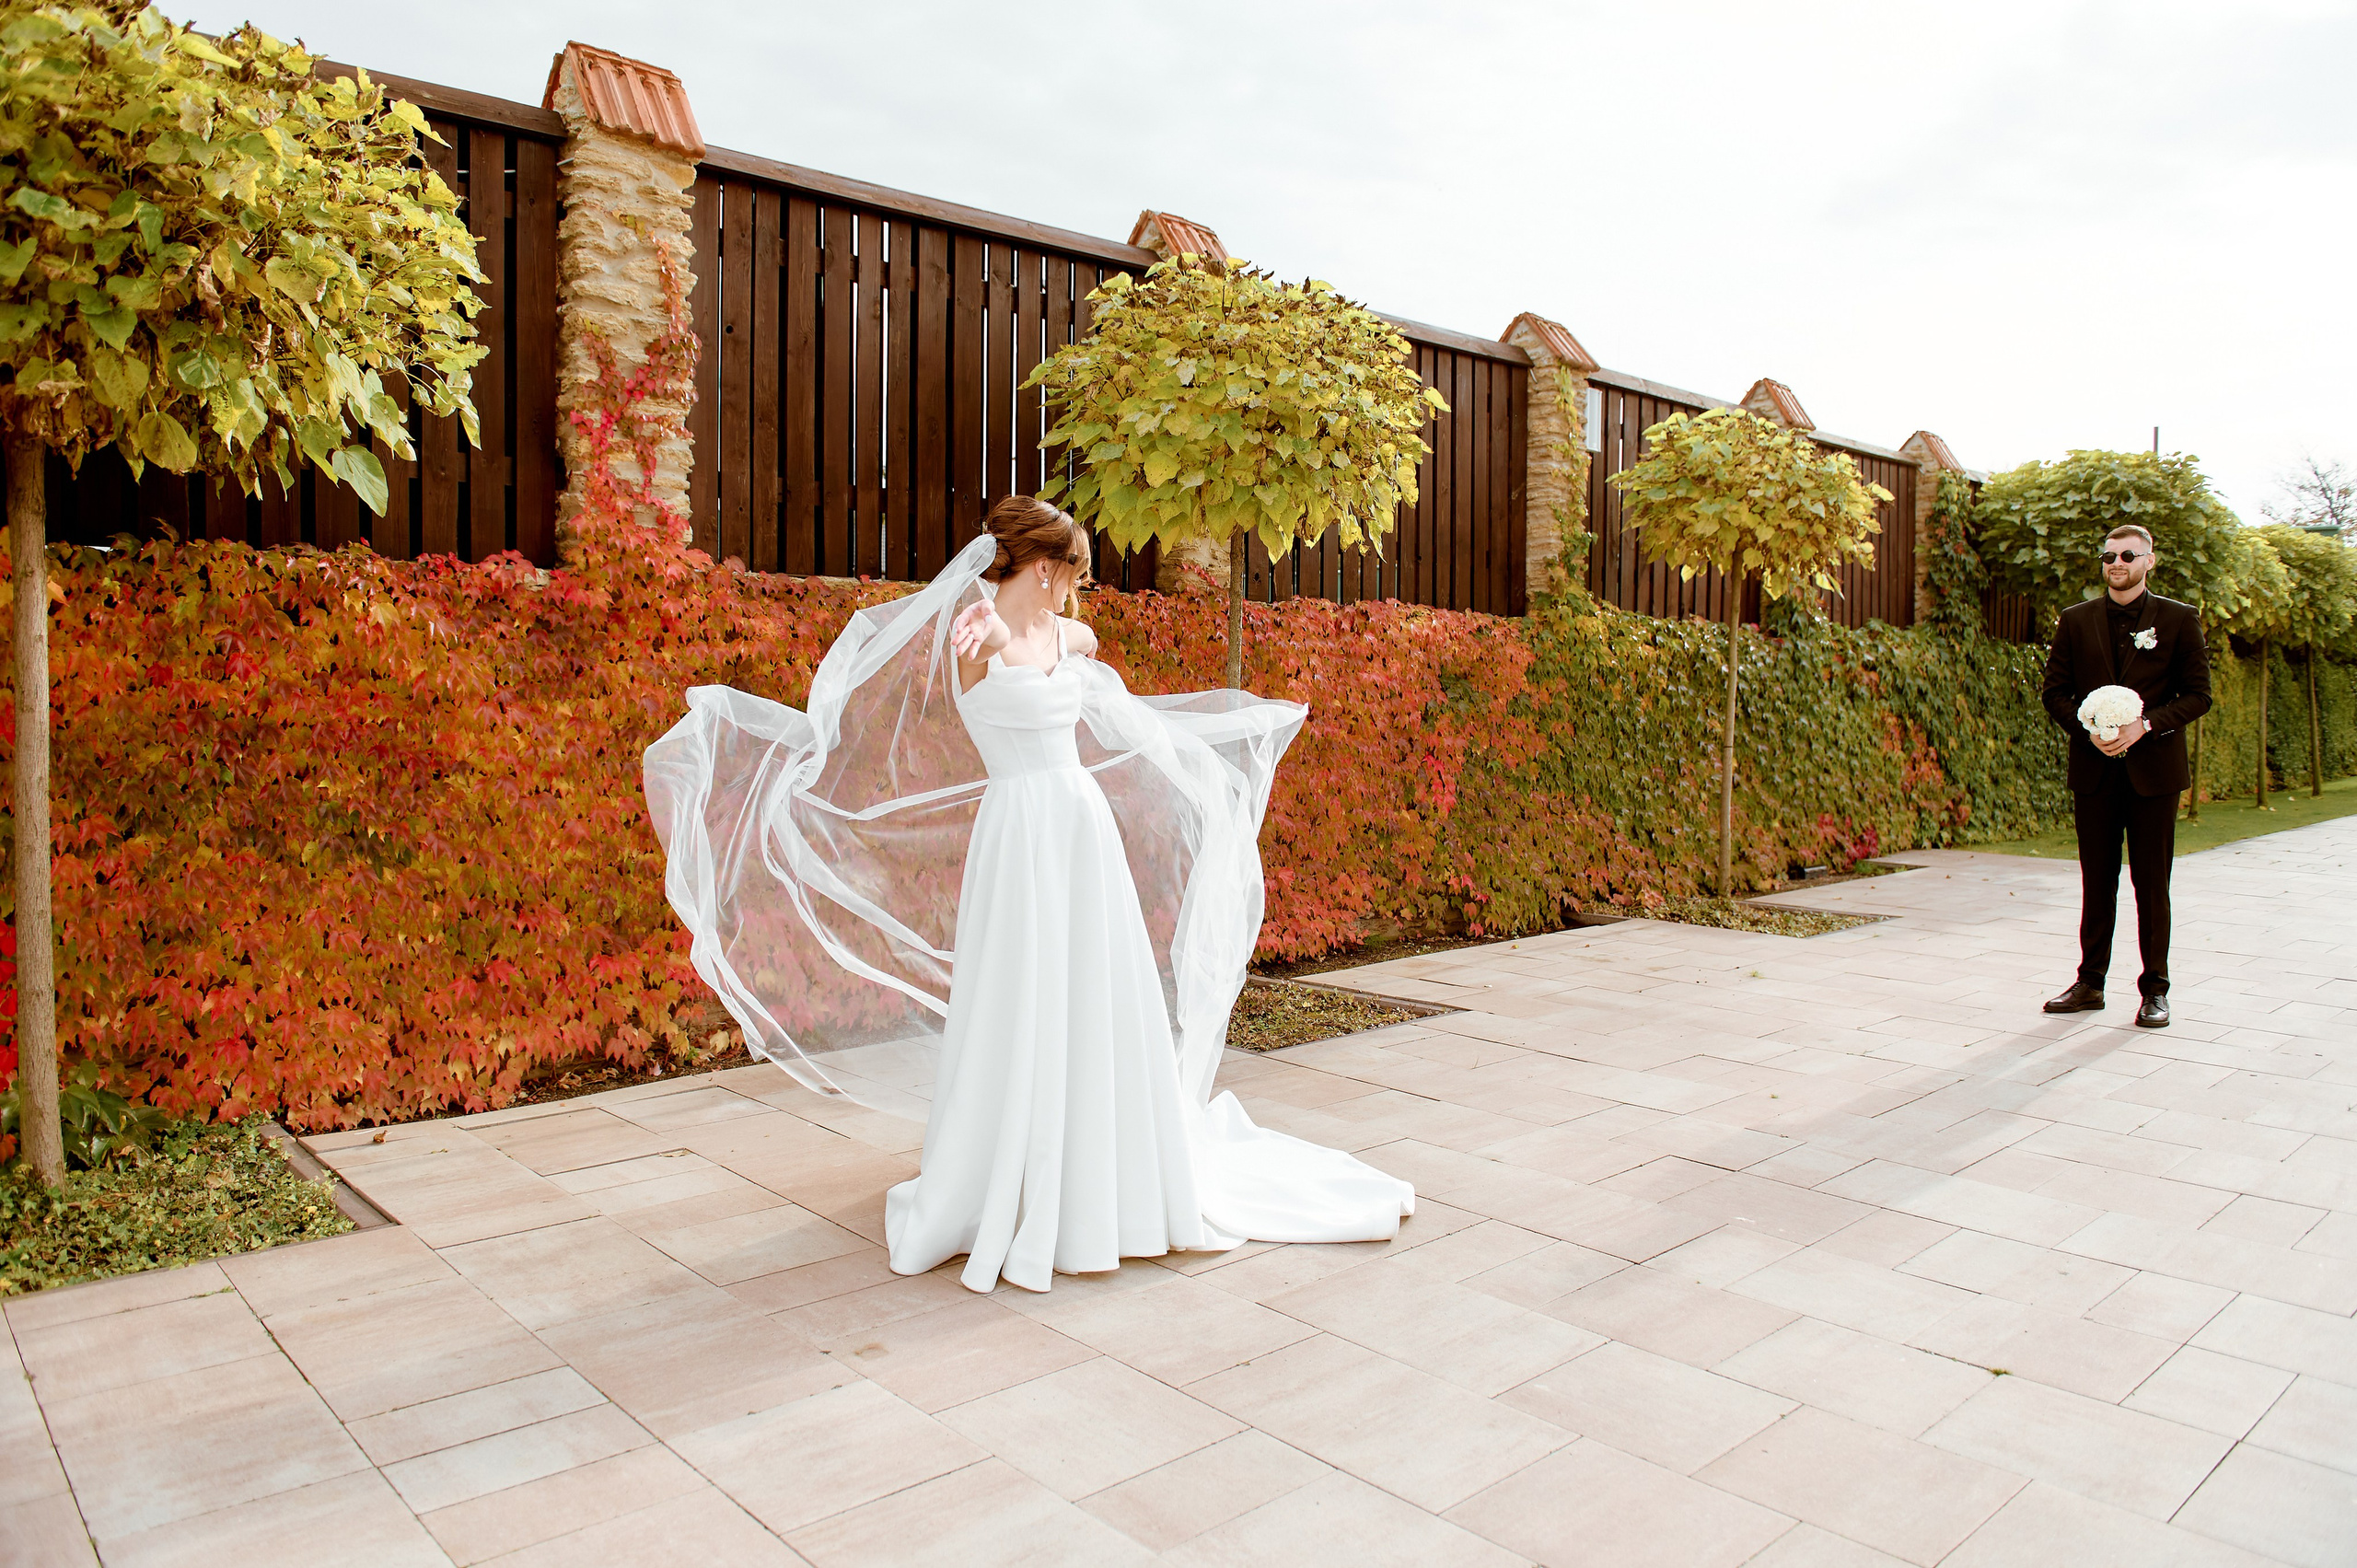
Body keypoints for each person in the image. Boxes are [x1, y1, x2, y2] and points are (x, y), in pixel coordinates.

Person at [643, 496, 1414, 1294]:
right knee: (1021, 993)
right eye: (1072, 572)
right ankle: (1012, 1164)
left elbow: (1079, 641)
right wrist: (991, 634)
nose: (1077, 590)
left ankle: (1100, 1166)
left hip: (1079, 830)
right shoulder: (981, 630)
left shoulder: (1060, 630)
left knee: (1091, 990)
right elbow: (984, 644)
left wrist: (1068, 637)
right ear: (1043, 567)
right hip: (1018, 832)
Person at [2038, 522, 2212, 1028]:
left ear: (2149, 561)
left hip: (2154, 774)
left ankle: (2155, 990)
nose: (2117, 563)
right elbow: (2055, 692)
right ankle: (2090, 983)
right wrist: (2086, 728)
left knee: (2152, 884)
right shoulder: (2075, 620)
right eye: (2109, 556)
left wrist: (2147, 725)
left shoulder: (2179, 620)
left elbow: (2199, 694)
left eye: (2128, 555)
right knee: (2098, 881)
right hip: (2094, 772)